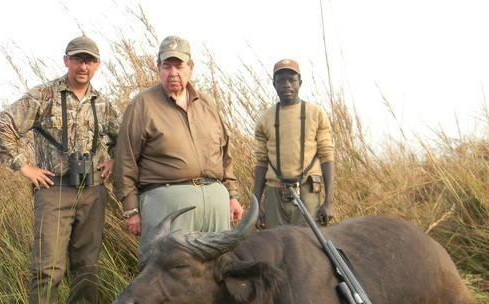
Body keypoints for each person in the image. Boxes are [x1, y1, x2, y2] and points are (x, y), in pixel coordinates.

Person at [0, 36, 120, 304]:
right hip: (53, 189)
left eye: (89, 60)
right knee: (47, 263)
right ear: (66, 61)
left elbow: (125, 139)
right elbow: (2, 125)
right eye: (77, 59)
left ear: (97, 65)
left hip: (93, 191)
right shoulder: (44, 95)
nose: (82, 66)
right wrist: (24, 166)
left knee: (87, 263)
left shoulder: (103, 104)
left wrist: (113, 160)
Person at [114, 35, 244, 250]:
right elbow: (125, 159)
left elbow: (224, 154)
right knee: (169, 276)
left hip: (215, 202)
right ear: (158, 68)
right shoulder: (142, 105)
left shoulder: (207, 103)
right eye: (167, 66)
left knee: (219, 270)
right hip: (167, 205)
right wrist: (131, 209)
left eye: (179, 66)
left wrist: (232, 195)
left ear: (191, 67)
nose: (173, 73)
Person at [253, 59, 335, 229]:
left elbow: (327, 156)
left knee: (309, 246)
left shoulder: (316, 113)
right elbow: (261, 162)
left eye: (292, 80)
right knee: (274, 246)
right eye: (281, 81)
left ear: (300, 83)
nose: (287, 85)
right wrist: (256, 207)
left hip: (307, 190)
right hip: (274, 193)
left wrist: (328, 202)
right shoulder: (266, 118)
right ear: (274, 84)